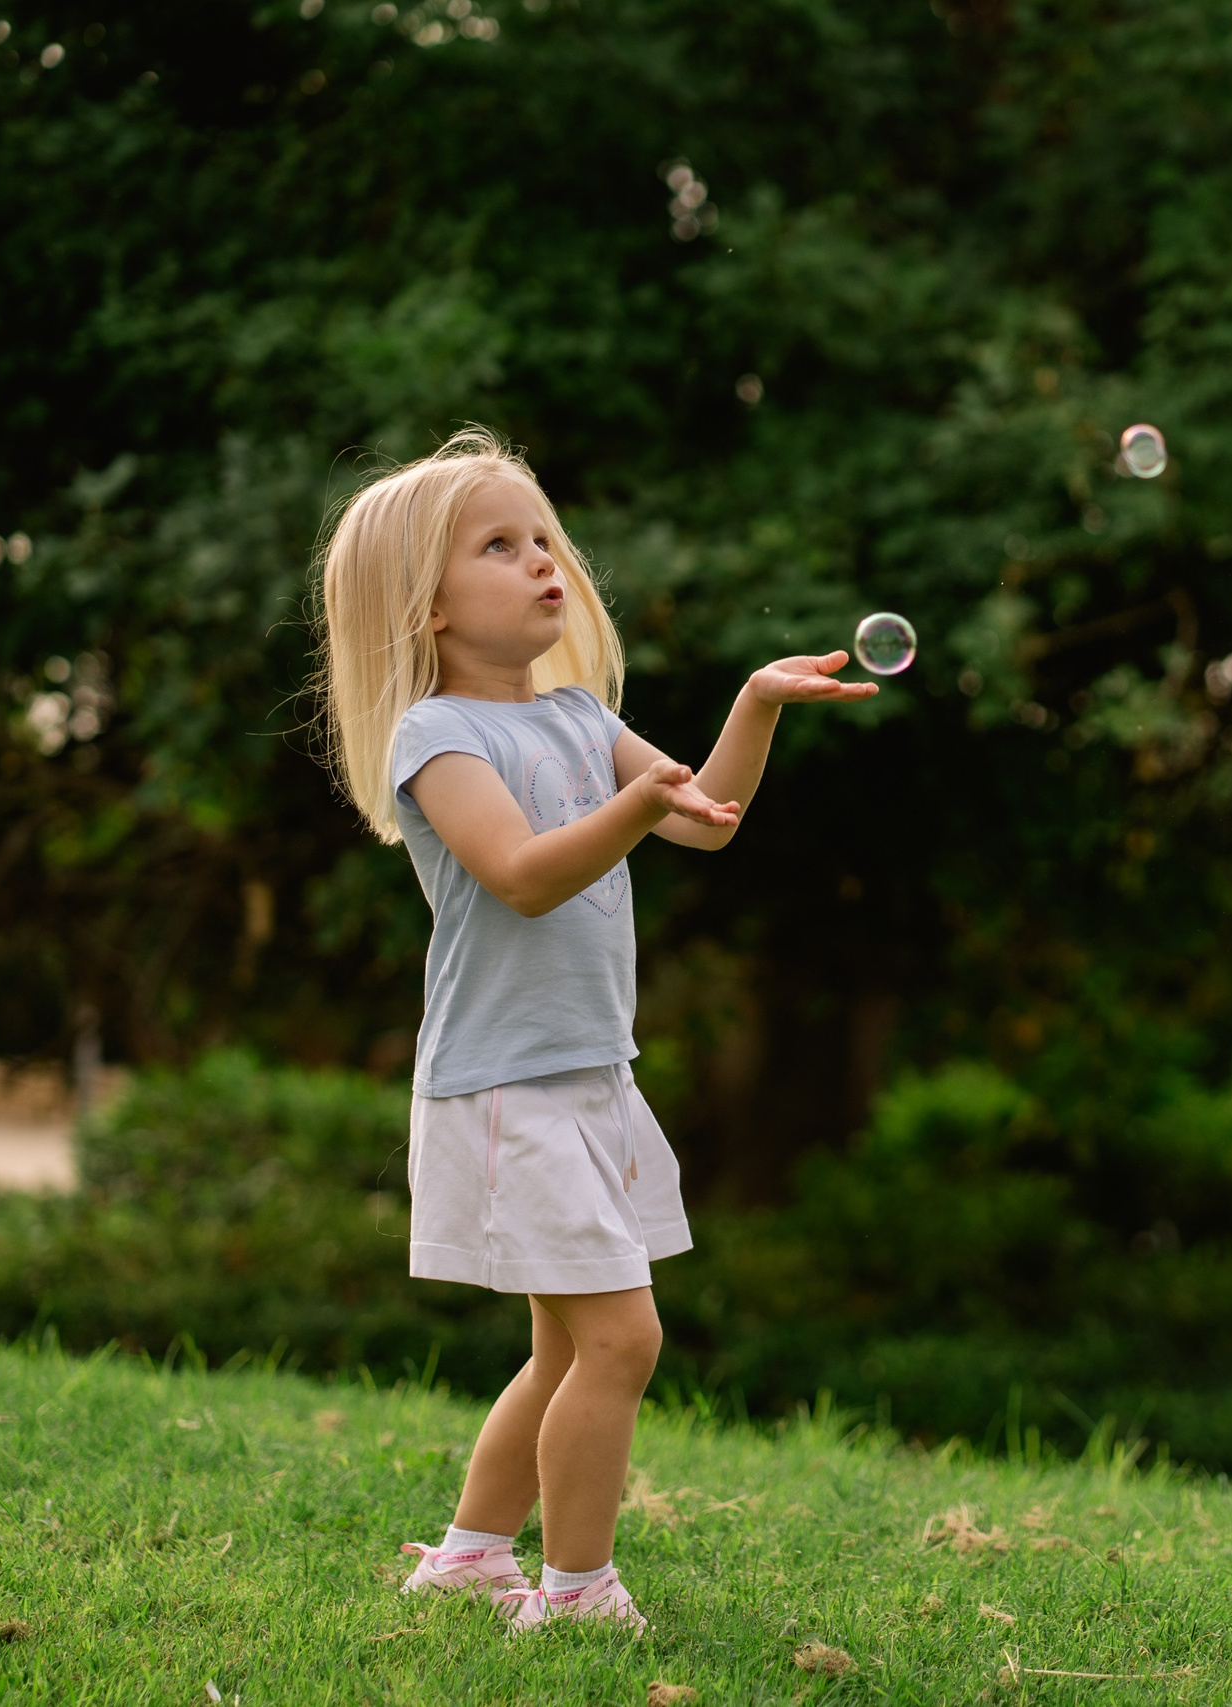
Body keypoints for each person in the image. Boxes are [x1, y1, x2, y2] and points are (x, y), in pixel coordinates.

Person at [313, 427, 875, 1632]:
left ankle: (472, 1554)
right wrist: (632, 803)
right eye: (500, 546)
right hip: (505, 1087)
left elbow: (705, 821)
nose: (542, 562)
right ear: (427, 610)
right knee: (623, 1340)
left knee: (569, 1352)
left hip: (587, 1078)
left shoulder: (575, 715)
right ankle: (573, 1590)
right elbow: (519, 872)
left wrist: (754, 707)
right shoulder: (439, 740)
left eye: (544, 538)